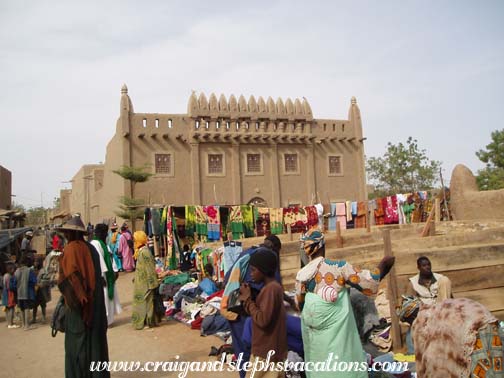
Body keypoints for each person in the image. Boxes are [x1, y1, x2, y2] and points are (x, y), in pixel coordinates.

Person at [295, 227, 394, 378]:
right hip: (339, 346)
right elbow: (370, 283)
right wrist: (384, 266)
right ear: (322, 245)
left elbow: (301, 306)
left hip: (318, 348)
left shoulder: (301, 277)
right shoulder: (338, 269)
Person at [221, 236, 285, 378]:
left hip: (233, 309)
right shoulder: (266, 258)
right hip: (244, 313)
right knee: (253, 354)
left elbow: (226, 279)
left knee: (243, 352)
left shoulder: (248, 253)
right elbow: (273, 286)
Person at [57, 214, 109, 377]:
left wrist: (77, 298)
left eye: (67, 234)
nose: (65, 237)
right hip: (95, 307)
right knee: (95, 347)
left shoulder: (71, 249)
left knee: (76, 350)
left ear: (70, 234)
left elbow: (71, 279)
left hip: (78, 310)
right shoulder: (91, 249)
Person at [413, 297, 503, 377]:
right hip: (487, 319)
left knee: (480, 368)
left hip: (473, 330)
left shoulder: (420, 321)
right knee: (497, 362)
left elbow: (430, 365)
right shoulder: (439, 308)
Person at [239, 249, 287, 377]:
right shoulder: (271, 288)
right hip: (268, 351)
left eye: (253, 270)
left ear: (263, 271)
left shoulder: (271, 289)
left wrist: (248, 300)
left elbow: (263, 319)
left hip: (266, 354)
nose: (251, 274)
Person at [402, 256, 453, 354]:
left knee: (445, 280)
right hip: (423, 309)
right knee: (414, 326)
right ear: (419, 268)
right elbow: (409, 303)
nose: (427, 267)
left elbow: (448, 295)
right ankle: (416, 352)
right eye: (424, 265)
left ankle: (444, 320)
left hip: (440, 307)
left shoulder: (440, 278)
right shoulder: (413, 282)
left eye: (429, 264)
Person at [91, 224, 122, 326]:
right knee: (103, 298)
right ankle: (104, 321)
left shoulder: (103, 243)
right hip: (101, 276)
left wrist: (114, 270)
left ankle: (109, 320)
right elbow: (98, 260)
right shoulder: (95, 243)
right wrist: (101, 276)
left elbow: (110, 256)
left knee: (108, 299)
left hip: (107, 274)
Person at [131, 230, 159, 330]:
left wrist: (153, 283)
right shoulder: (141, 251)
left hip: (146, 283)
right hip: (141, 282)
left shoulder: (145, 252)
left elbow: (150, 268)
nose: (134, 242)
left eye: (135, 240)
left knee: (147, 303)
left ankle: (147, 322)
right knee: (143, 302)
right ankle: (142, 322)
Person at [15, 254, 37, 330]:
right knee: (27, 308)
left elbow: (15, 282)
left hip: (19, 293)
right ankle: (27, 326)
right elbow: (33, 281)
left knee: (21, 308)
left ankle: (23, 324)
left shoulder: (17, 271)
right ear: (27, 263)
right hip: (27, 292)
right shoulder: (29, 271)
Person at [32, 256, 51, 323]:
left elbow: (47, 280)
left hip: (42, 291)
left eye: (36, 261)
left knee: (43, 305)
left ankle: (43, 318)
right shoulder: (32, 269)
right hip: (34, 291)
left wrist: (39, 284)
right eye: (35, 261)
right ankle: (34, 318)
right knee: (34, 305)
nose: (35, 263)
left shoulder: (43, 271)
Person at [2, 262, 20, 328]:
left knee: (7, 309)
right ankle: (11, 324)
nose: (14, 271)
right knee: (11, 308)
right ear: (11, 269)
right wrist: (16, 287)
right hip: (10, 294)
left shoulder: (5, 275)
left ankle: (8, 322)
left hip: (5, 293)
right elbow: (10, 287)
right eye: (14, 269)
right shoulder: (9, 276)